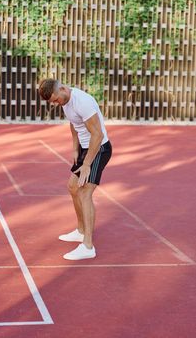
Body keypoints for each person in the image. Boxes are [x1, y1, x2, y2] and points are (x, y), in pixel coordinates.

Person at [39, 79, 112, 260]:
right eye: (53, 102)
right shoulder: (66, 101)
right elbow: (74, 124)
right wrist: (75, 148)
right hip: (85, 148)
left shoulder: (83, 102)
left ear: (62, 88)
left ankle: (88, 246)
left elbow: (98, 134)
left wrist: (86, 164)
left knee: (84, 192)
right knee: (73, 187)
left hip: (99, 149)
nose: (56, 104)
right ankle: (80, 231)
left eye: (56, 100)